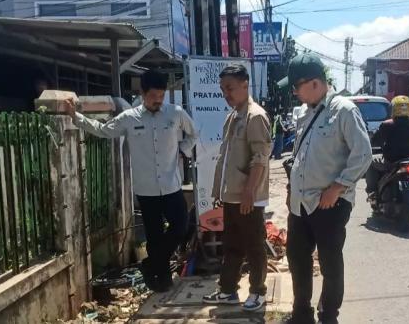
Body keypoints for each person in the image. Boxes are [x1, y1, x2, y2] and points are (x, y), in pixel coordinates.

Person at [65, 70, 198, 292]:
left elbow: (193, 134)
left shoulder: (175, 113)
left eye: (161, 96)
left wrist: (183, 151)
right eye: (154, 96)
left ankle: (149, 264)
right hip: (146, 190)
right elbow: (103, 130)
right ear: (142, 93)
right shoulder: (129, 118)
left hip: (171, 184)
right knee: (154, 236)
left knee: (180, 226)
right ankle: (162, 280)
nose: (158, 101)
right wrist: (75, 117)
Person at [283, 53, 372, 324]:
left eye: (295, 87)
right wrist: (291, 190)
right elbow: (301, 156)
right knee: (297, 259)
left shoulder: (343, 110)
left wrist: (338, 187)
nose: (294, 93)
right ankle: (302, 314)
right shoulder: (304, 112)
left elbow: (363, 154)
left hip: (329, 203)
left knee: (330, 262)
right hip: (300, 202)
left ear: (313, 83)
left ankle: (328, 315)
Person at [202, 64, 272, 312]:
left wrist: (250, 192)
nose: (226, 94)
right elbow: (227, 158)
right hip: (232, 195)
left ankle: (258, 292)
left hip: (248, 197)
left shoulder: (255, 116)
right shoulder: (233, 117)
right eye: (223, 89)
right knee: (232, 245)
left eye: (230, 88)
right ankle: (228, 290)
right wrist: (218, 193)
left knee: (254, 245)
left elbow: (260, 158)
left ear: (245, 85)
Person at [365, 95, 409, 201]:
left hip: (391, 163)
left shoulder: (387, 124)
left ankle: (372, 192)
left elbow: (375, 141)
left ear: (393, 109)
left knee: (371, 164)